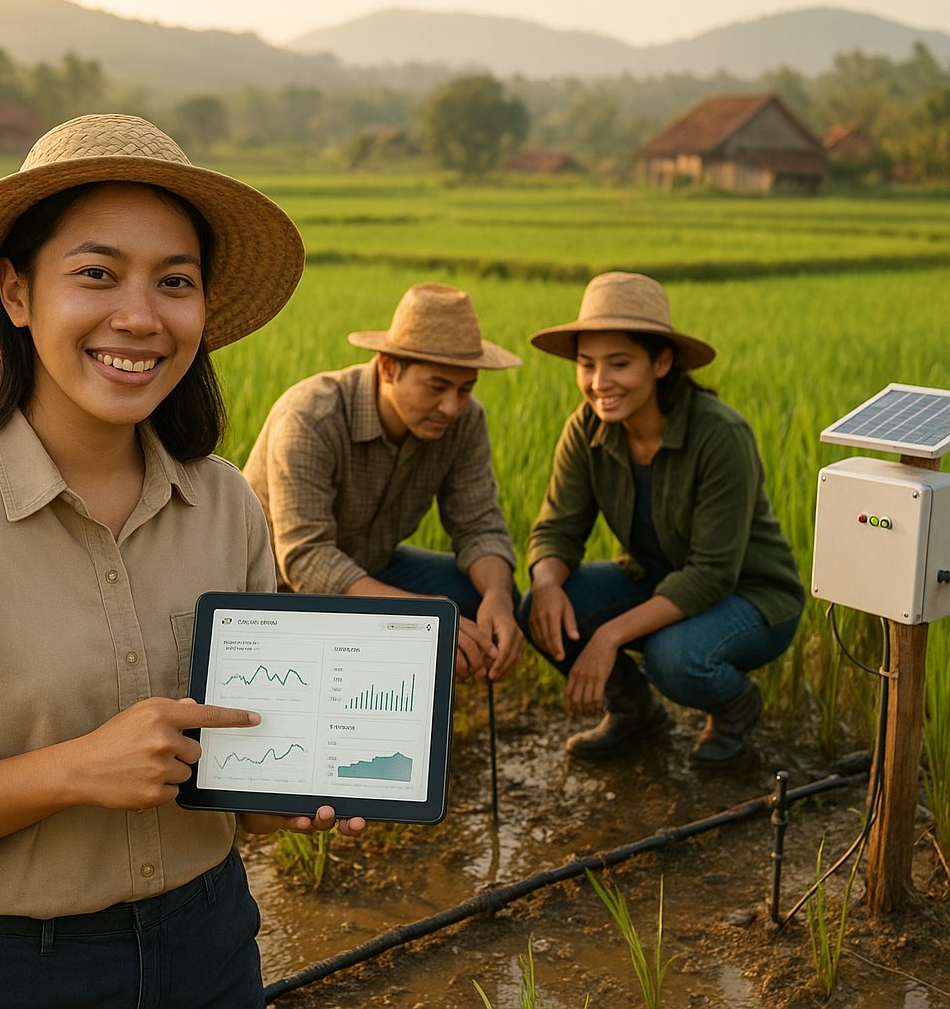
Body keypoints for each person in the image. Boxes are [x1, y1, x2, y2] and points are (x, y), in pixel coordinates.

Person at [0, 114, 364, 1009]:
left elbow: (239, 757)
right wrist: (75, 769)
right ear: (16, 291)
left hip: (210, 938)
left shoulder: (228, 504)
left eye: (175, 282)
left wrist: (277, 793)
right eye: (96, 273)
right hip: (12, 967)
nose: (139, 316)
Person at [520, 272, 804, 765]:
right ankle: (633, 713)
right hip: (654, 579)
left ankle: (735, 707)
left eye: (619, 364)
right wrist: (545, 586)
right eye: (587, 365)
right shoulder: (586, 429)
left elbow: (712, 573)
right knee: (538, 606)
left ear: (662, 362)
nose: (598, 383)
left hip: (751, 595)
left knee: (673, 658)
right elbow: (558, 530)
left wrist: (608, 637)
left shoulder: (720, 435)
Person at [243, 282, 525, 682]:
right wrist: (424, 617)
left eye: (465, 390)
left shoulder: (466, 420)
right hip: (281, 591)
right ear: (388, 367)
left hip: (371, 567)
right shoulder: (311, 416)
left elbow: (479, 523)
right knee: (433, 617)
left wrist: (497, 599)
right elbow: (306, 559)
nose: (451, 407)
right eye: (437, 387)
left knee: (495, 592)